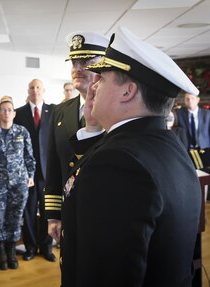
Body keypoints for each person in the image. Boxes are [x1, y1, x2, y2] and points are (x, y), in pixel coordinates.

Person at [62, 26, 201, 286]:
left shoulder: (116, 165)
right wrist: (93, 127)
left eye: (102, 78)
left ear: (128, 92)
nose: (93, 85)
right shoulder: (168, 146)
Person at [44, 31, 109, 258]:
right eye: (74, 61)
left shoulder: (116, 110)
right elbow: (53, 165)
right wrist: (54, 214)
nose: (77, 68)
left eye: (86, 61)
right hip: (70, 212)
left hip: (105, 213)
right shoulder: (60, 110)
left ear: (104, 65)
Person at [0, 100, 36, 270]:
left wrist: (31, 175)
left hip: (19, 183)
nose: (6, 113)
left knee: (15, 218)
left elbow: (29, 156)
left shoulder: (22, 131)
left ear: (14, 113)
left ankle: (11, 252)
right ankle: (0, 253)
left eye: (10, 110)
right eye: (3, 110)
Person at [13, 79, 55, 262]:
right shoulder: (19, 113)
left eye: (38, 87)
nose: (35, 90)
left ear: (43, 90)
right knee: (28, 212)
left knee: (48, 211)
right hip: (27, 173)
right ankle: (30, 247)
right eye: (32, 87)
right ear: (27, 90)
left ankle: (47, 247)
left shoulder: (53, 111)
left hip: (48, 172)